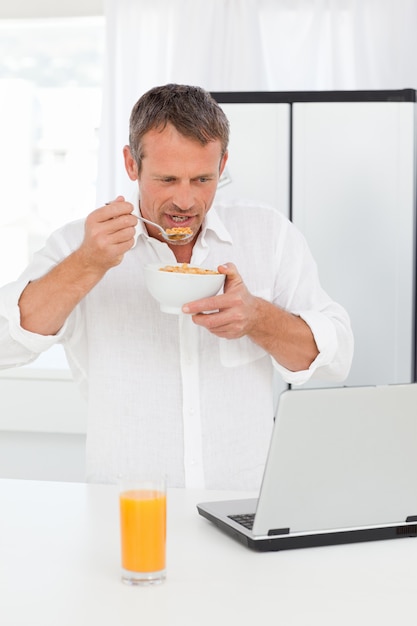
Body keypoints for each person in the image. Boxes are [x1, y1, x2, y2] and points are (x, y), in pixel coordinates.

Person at [0, 84, 353, 490]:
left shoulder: (268, 235)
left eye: (202, 178)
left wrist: (257, 318)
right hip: (123, 508)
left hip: (240, 504)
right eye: (166, 179)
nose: (185, 200)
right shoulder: (78, 245)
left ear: (223, 165)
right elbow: (4, 345)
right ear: (131, 164)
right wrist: (86, 264)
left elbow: (337, 357)